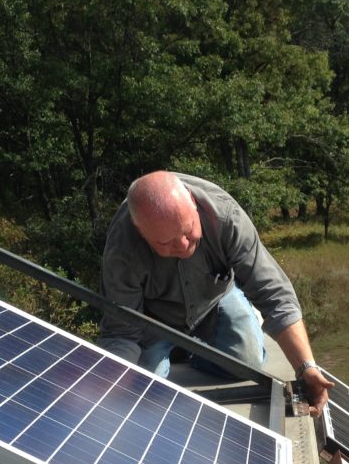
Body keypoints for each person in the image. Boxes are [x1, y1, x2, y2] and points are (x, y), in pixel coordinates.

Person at [98, 171, 332, 416]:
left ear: (192, 201)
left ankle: (191, 351)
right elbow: (122, 331)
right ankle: (172, 348)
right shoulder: (121, 250)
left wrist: (306, 367)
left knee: (248, 362)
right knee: (144, 391)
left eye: (188, 231)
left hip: (214, 298)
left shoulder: (225, 215)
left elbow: (273, 292)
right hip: (153, 319)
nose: (183, 246)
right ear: (140, 231)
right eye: (165, 243)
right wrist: (111, 384)